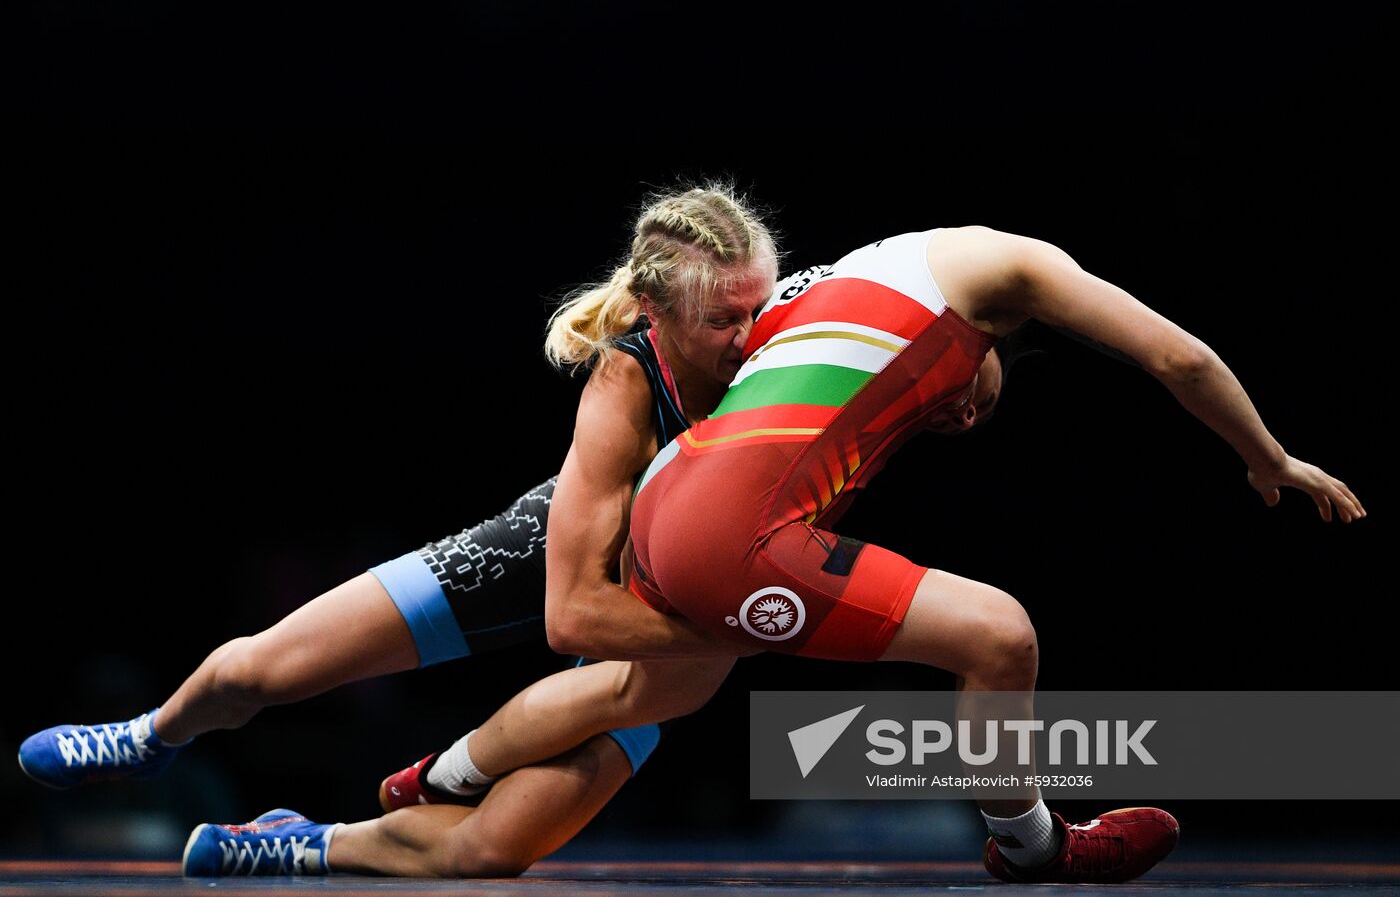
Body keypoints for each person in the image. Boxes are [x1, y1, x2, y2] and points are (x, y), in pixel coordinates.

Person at [335, 223, 1362, 884]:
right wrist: (1265, 459)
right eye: (972, 401)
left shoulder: (850, 277)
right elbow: (1175, 355)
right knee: (999, 637)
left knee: (649, 690)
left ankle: (438, 775)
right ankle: (1036, 846)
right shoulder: (1016, 266)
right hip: (721, 530)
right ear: (1001, 330)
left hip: (674, 499)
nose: (958, 412)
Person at [20, 184, 780, 877]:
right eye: (722, 318)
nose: (749, 335)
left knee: (489, 850)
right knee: (258, 674)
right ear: (654, 306)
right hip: (536, 563)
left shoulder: (789, 351)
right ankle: (153, 732)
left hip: (661, 611)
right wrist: (750, 626)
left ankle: (312, 840)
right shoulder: (625, 377)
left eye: (758, 306)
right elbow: (572, 612)